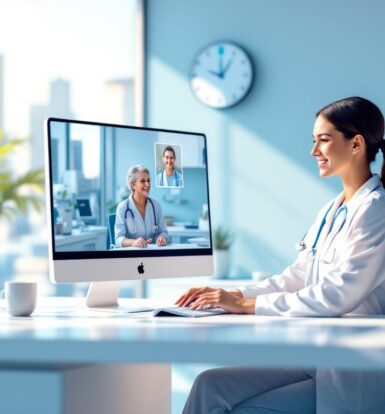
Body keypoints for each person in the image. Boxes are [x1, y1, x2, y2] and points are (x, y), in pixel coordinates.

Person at [178, 97, 385, 413]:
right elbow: (297, 277)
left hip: (351, 371)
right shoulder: (332, 210)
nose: (313, 151)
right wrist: (232, 294)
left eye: (323, 140)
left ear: (356, 144)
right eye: (313, 141)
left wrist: (249, 305)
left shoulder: (375, 210)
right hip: (316, 360)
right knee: (210, 385)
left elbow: (339, 293)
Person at [115, 164, 168, 248]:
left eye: (148, 180)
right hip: (132, 256)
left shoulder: (156, 205)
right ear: (133, 185)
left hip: (153, 255)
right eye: (143, 181)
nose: (147, 184)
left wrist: (162, 237)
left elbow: (163, 231)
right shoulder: (123, 208)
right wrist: (134, 242)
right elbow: (118, 239)